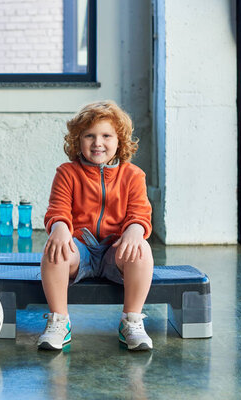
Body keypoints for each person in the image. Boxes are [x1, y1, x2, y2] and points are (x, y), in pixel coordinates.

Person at [37, 100, 154, 351]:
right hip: (81, 250)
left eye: (106, 135)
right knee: (54, 250)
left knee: (142, 249)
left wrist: (135, 231)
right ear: (77, 141)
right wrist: (59, 227)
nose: (97, 142)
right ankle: (60, 321)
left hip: (116, 250)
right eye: (89, 136)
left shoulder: (133, 175)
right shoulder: (67, 173)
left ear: (119, 141)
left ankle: (131, 320)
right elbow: (58, 210)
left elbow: (140, 213)